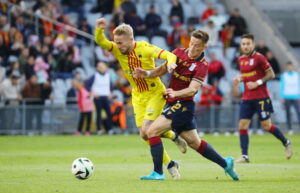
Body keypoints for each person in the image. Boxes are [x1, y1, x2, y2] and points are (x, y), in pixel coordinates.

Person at [134, 30, 239, 181]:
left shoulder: (202, 66)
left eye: (197, 46)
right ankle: (226, 164)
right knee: (194, 143)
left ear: (204, 47)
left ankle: (158, 173)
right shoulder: (178, 53)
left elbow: (192, 89)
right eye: (191, 43)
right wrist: (147, 74)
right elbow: (162, 69)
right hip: (174, 103)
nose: (192, 48)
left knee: (152, 131)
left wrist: (176, 93)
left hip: (183, 105)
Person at [94, 18, 187, 179]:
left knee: (149, 131)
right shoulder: (117, 49)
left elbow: (169, 55)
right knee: (144, 135)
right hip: (137, 95)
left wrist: (171, 64)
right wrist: (99, 29)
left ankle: (161, 171)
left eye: (121, 42)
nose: (118, 46)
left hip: (154, 93)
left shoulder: (144, 47)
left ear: (131, 39)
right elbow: (101, 41)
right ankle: (172, 141)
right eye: (116, 42)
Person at [233, 34, 292, 163]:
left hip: (261, 98)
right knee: (242, 125)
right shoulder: (241, 59)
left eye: (248, 44)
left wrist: (257, 83)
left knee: (266, 126)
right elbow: (246, 75)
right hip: (247, 98)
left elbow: (271, 74)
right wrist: (239, 79)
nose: (246, 46)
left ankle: (286, 142)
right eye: (243, 44)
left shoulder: (259, 57)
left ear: (252, 44)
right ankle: (245, 155)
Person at [86, 62, 113, 135]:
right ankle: (99, 129)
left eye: (102, 66)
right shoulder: (95, 76)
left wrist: (110, 92)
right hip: (98, 97)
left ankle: (109, 129)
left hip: (106, 97)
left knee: (109, 114)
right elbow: (87, 86)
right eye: (99, 67)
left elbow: (110, 86)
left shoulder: (108, 75)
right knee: (99, 114)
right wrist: (93, 93)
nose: (101, 68)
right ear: (97, 68)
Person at [280, 61, 300, 135]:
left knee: (298, 112)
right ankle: (290, 129)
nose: (289, 67)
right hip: (287, 96)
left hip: (295, 96)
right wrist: (282, 96)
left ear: (292, 66)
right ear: (286, 67)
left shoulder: (296, 75)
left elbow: (298, 85)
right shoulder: (284, 75)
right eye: (288, 66)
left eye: (290, 66)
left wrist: (299, 96)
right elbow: (281, 87)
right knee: (288, 113)